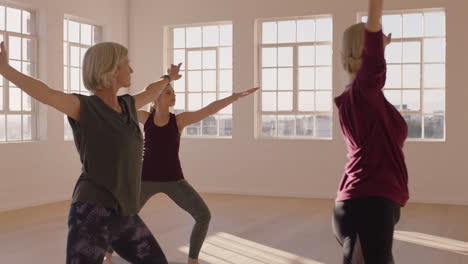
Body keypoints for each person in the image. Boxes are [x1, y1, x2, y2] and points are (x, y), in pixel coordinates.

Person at [0, 40, 181, 263]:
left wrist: (168, 77)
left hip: (124, 212)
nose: (131, 70)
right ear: (112, 69)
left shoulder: (128, 106)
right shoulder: (84, 107)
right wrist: (5, 70)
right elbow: (46, 94)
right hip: (93, 210)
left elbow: (152, 91)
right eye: (127, 64)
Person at [104, 84, 259, 264]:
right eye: (168, 92)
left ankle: (192, 259)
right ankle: (107, 253)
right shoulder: (145, 117)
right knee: (123, 216)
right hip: (145, 180)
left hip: (174, 180)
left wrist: (234, 97)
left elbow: (208, 110)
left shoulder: (179, 120)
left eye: (174, 92)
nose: (173, 95)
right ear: (156, 97)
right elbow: (120, 106)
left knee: (203, 215)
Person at [332, 0, 409, 263]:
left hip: (369, 203)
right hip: (367, 205)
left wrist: (379, 45)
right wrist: (375, 18)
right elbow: (373, 52)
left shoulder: (363, 98)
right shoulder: (362, 94)